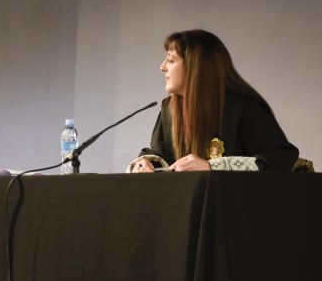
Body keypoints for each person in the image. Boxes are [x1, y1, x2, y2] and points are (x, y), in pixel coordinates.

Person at [128, 29, 298, 173]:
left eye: (171, 60)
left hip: (235, 206)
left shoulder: (242, 108)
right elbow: (161, 154)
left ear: (196, 67)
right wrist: (146, 164)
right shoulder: (169, 110)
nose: (162, 67)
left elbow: (280, 158)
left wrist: (212, 166)